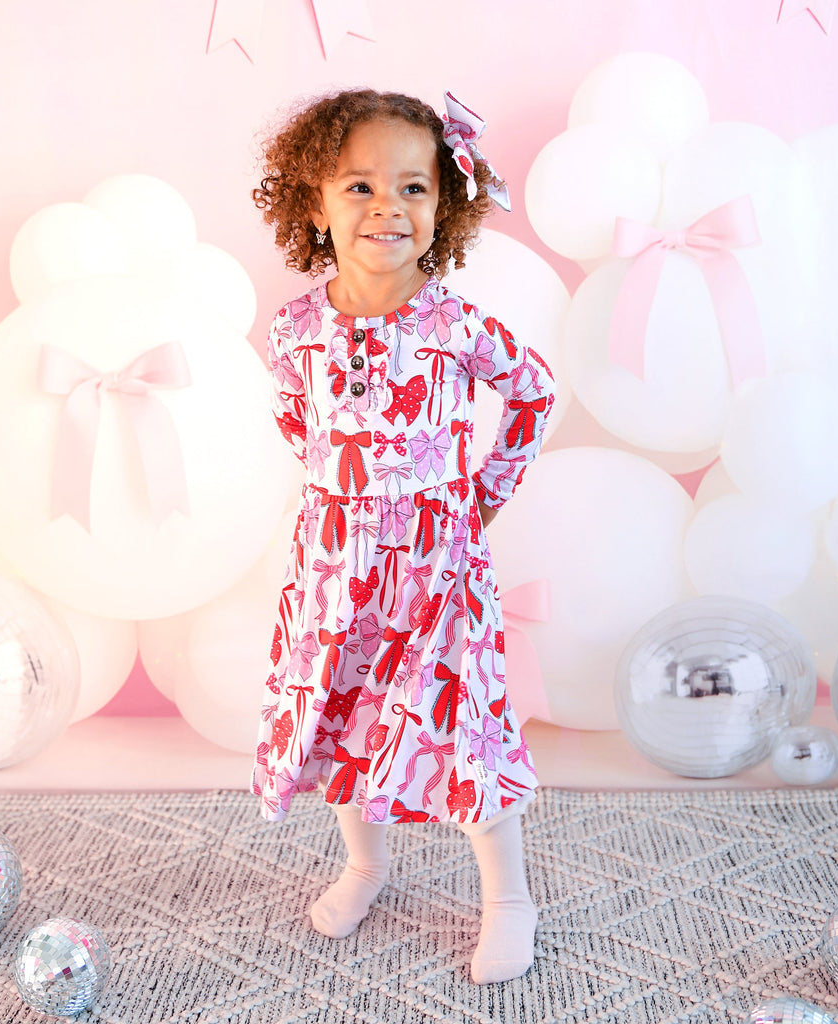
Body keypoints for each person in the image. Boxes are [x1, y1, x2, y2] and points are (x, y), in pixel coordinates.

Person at [250, 88, 555, 985]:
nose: (387, 206)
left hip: (437, 566)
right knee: (343, 714)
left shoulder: (451, 322)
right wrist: (343, 505)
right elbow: (297, 422)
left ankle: (509, 897)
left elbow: (532, 393)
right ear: (314, 204)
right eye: (360, 186)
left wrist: (481, 495)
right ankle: (365, 864)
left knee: (467, 727)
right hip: (333, 564)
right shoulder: (295, 328)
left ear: (442, 207)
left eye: (413, 188)